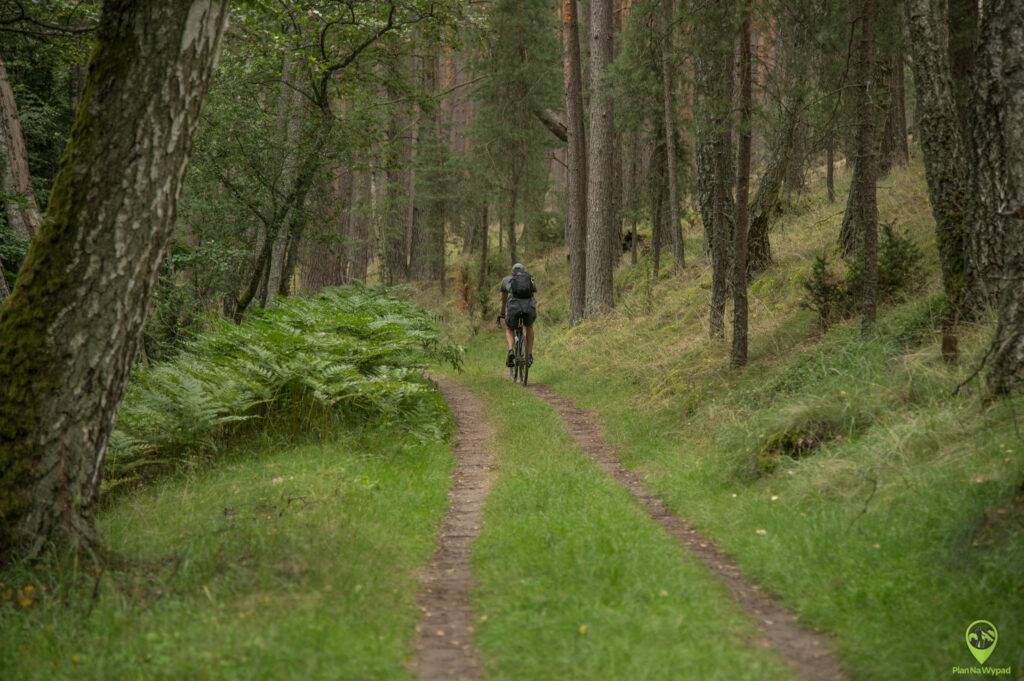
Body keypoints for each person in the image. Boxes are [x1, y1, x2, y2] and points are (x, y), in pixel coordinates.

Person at [498, 263, 537, 368]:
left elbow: (504, 301)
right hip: (528, 309)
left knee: (510, 328)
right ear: (523, 271)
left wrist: (502, 313)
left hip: (514, 309)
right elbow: (533, 293)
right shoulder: (530, 278)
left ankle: (511, 350)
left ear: (512, 272)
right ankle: (529, 355)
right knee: (529, 327)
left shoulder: (506, 280)